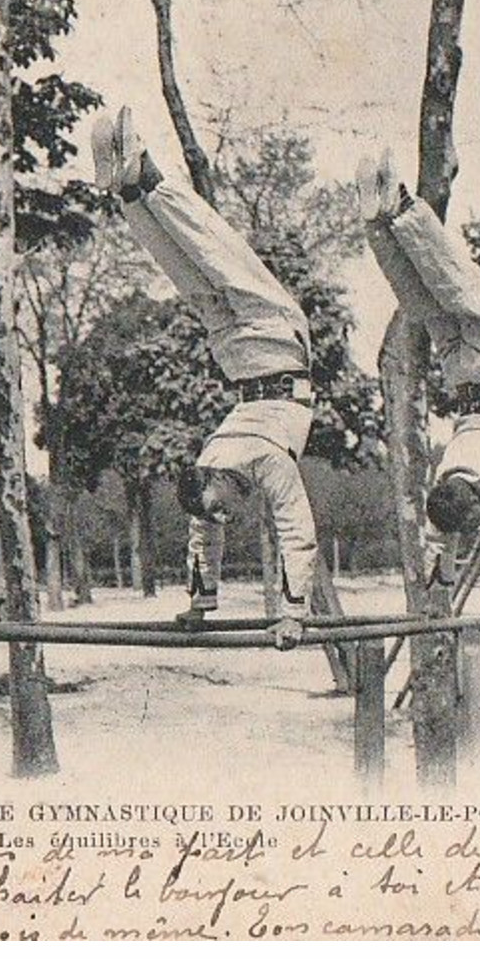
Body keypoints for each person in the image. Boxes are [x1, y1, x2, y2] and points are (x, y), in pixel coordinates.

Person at [91, 107, 317, 650]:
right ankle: (135, 190)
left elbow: (297, 534)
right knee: (202, 266)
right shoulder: (230, 469)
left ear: (207, 478)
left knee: (208, 258)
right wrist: (201, 606)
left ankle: (141, 186)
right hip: (268, 356)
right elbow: (208, 534)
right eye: (216, 508)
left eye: (215, 505)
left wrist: (291, 614)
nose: (222, 516)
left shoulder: (242, 461)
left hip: (259, 352)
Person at [356, 151, 480, 631]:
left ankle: (400, 208)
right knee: (421, 301)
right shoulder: (442, 479)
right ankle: (378, 229)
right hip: (460, 377)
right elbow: (439, 538)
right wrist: (440, 590)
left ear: (475, 499)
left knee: (459, 284)